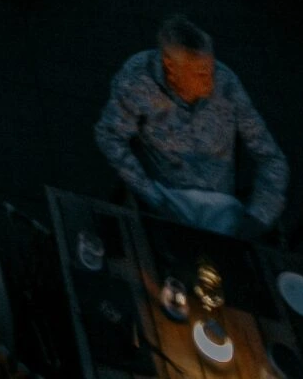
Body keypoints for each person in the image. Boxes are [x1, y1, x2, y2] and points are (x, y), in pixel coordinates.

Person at [96, 15, 287, 236]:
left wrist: (258, 217)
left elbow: (272, 158)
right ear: (171, 67)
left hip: (220, 207)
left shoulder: (226, 85)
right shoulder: (139, 79)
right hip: (167, 196)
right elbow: (109, 135)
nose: (211, 80)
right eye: (201, 74)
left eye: (211, 68)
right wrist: (149, 193)